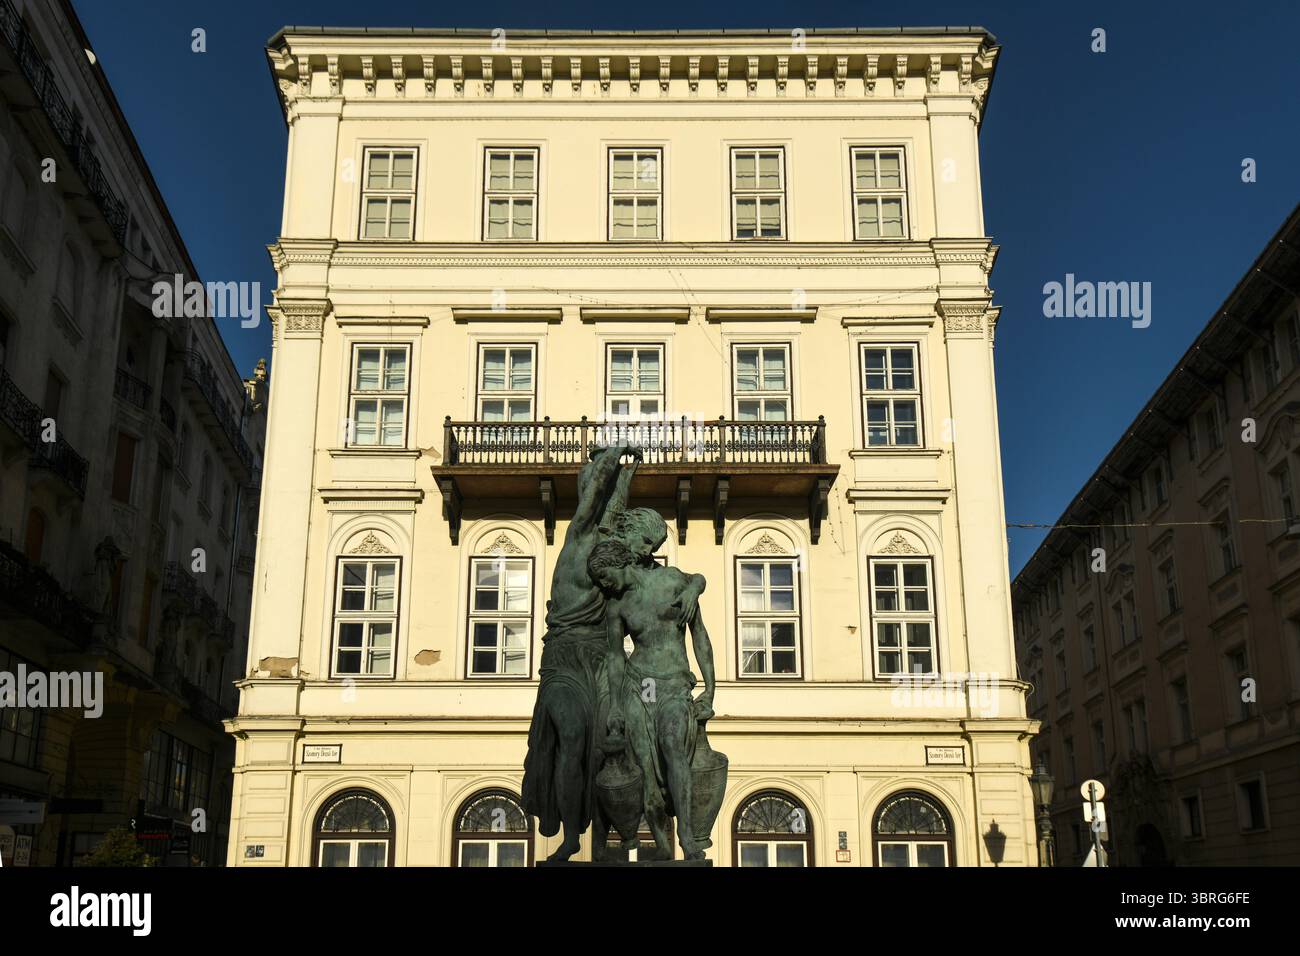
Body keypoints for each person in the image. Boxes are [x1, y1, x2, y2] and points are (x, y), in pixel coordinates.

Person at [521, 443, 669, 861]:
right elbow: (592, 503)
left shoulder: (615, 560)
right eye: (646, 543)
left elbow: (615, 513)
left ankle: (635, 829)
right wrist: (615, 453)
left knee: (629, 732)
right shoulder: (578, 544)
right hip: (564, 662)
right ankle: (571, 837)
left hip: (603, 661)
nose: (647, 553)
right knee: (569, 736)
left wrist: (628, 474)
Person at [588, 538, 715, 861]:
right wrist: (615, 704)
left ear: (620, 564)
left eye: (604, 575)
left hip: (673, 683)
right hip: (640, 684)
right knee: (643, 769)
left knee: (673, 745)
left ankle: (687, 837)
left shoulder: (671, 581)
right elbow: (616, 657)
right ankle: (661, 842)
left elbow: (699, 635)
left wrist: (710, 688)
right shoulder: (618, 606)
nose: (604, 584)